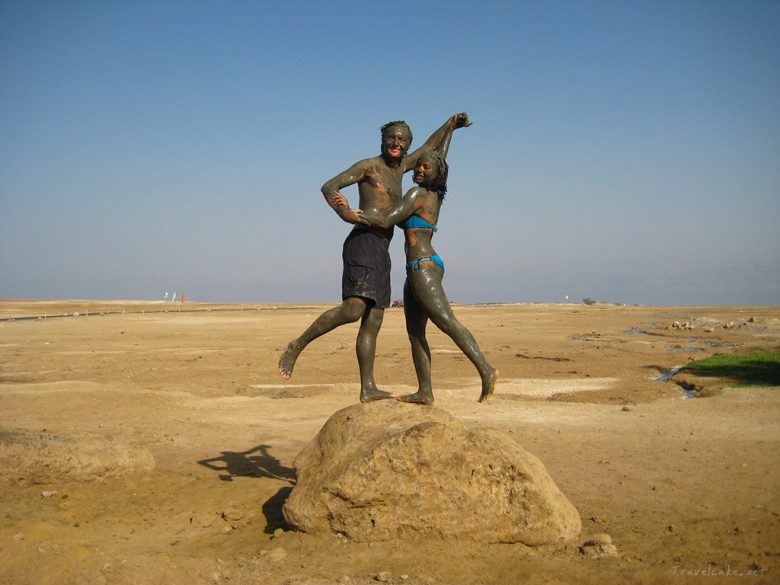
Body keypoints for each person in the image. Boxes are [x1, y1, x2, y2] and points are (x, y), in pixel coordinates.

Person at [278, 114, 472, 403]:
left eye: (402, 140)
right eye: (391, 138)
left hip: (383, 248)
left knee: (374, 320)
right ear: (382, 140)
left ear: (408, 146)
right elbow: (329, 186)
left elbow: (432, 151)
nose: (396, 143)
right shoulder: (369, 166)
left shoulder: (403, 167)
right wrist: (345, 213)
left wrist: (450, 126)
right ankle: (297, 345)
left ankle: (367, 388)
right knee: (354, 309)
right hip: (363, 242)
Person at [355, 141, 497, 404]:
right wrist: (450, 129)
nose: (419, 169)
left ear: (435, 173)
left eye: (424, 167)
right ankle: (425, 392)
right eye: (417, 165)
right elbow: (439, 159)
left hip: (423, 266)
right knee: (415, 333)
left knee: (447, 321)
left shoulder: (416, 195)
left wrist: (355, 214)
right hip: (417, 268)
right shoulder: (436, 195)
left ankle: (486, 369)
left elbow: (387, 220)